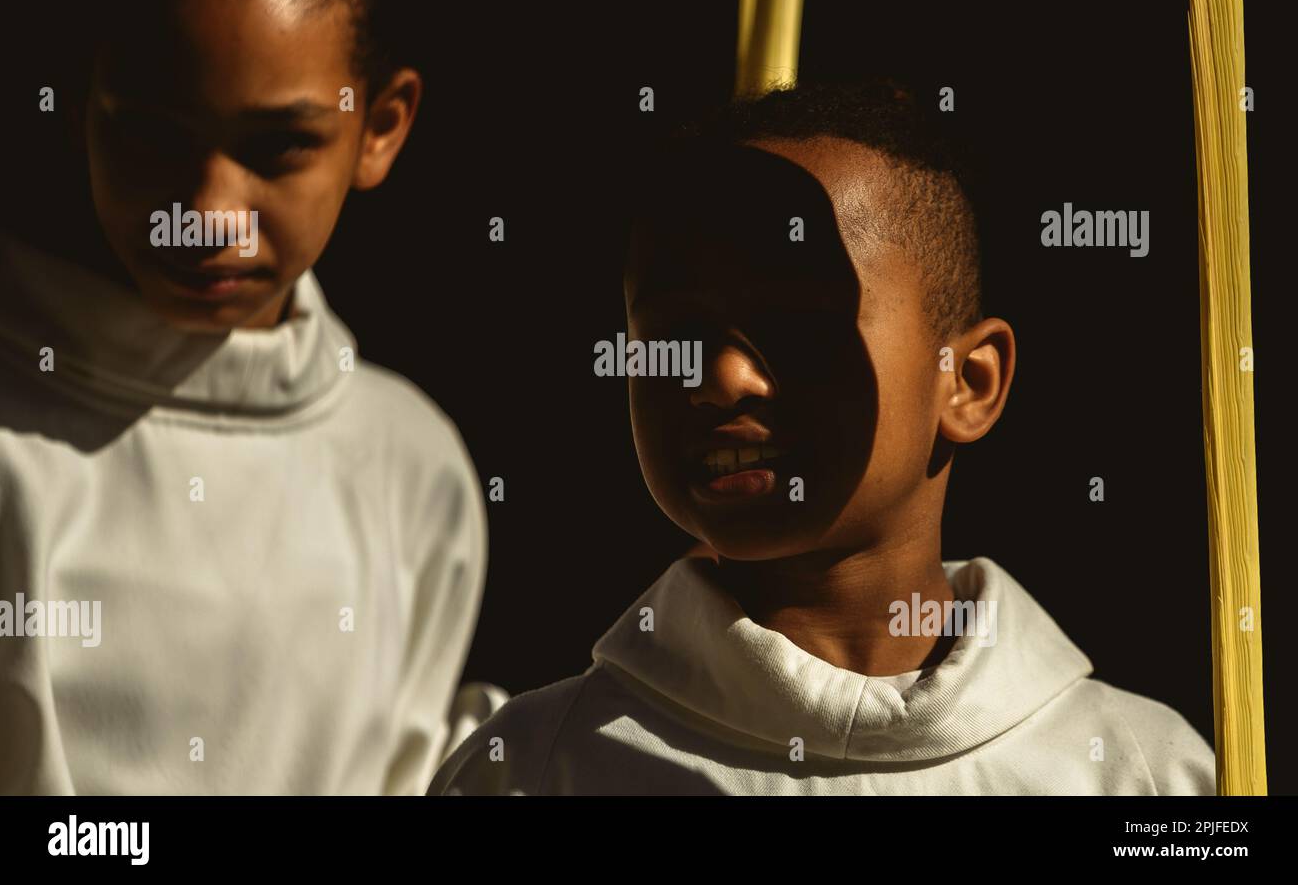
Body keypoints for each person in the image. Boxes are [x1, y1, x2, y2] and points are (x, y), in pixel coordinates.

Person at [430, 79, 1216, 795]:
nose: (723, 378)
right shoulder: (535, 768)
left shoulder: (1146, 774)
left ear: (969, 383)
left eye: (799, 326)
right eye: (676, 333)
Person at [0, 0, 490, 794]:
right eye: (153, 134)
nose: (208, 212)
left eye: (278, 146)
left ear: (380, 127)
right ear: (82, 104)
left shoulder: (414, 468)